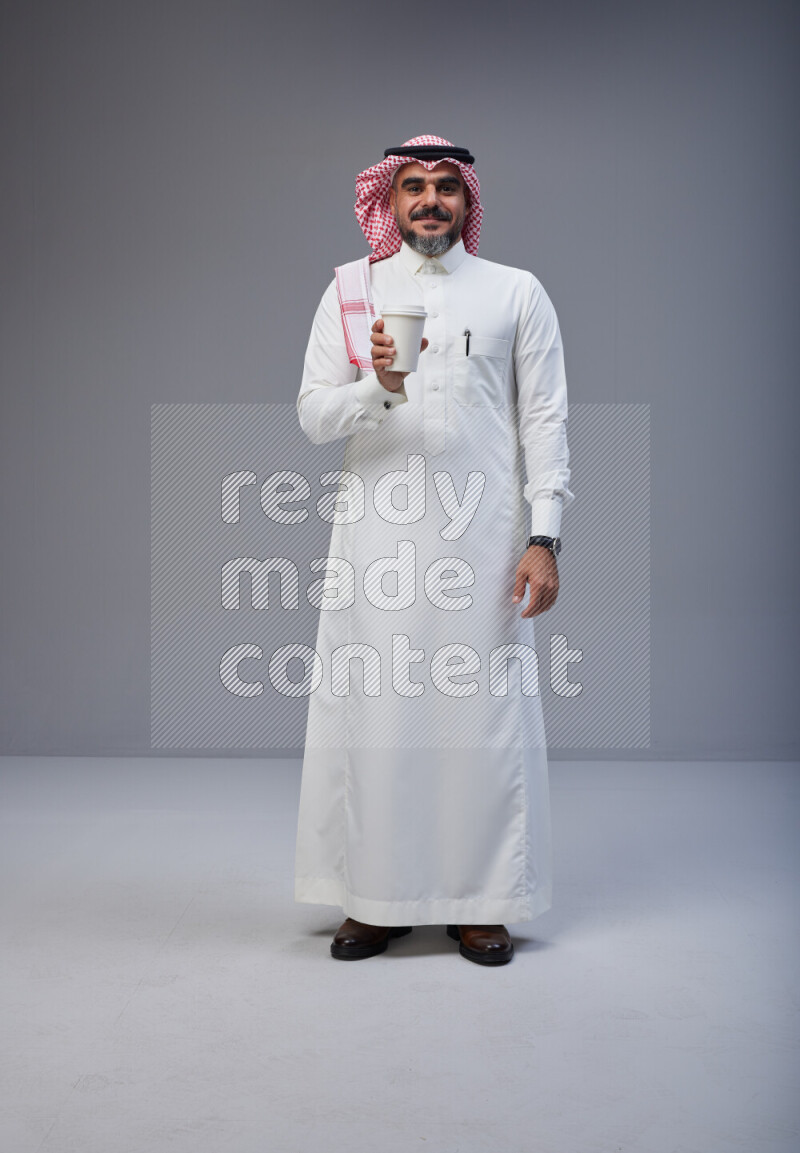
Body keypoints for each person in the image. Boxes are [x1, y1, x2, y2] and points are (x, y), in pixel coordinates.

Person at [293, 135, 574, 966]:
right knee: (377, 715)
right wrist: (376, 385)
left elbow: (546, 421)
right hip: (376, 536)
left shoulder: (516, 293)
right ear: (388, 199)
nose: (429, 201)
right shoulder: (351, 289)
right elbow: (312, 416)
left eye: (446, 187)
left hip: (484, 543)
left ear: (467, 200)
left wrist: (544, 535)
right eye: (413, 186)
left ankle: (481, 901)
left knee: (479, 720)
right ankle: (375, 900)